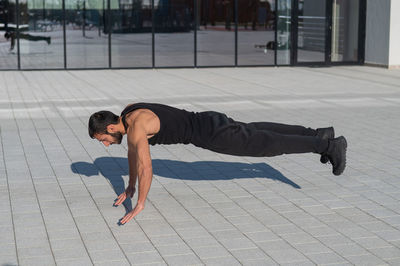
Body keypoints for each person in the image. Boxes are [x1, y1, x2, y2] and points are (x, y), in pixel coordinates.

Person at [88, 103, 347, 224]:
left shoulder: (135, 128)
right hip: (208, 119)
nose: (106, 144)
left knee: (267, 144)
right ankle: (318, 134)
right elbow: (133, 156)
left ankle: (328, 146)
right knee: (257, 131)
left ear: (112, 128)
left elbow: (146, 166)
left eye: (104, 139)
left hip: (210, 135)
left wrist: (140, 203)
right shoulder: (131, 112)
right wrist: (130, 186)